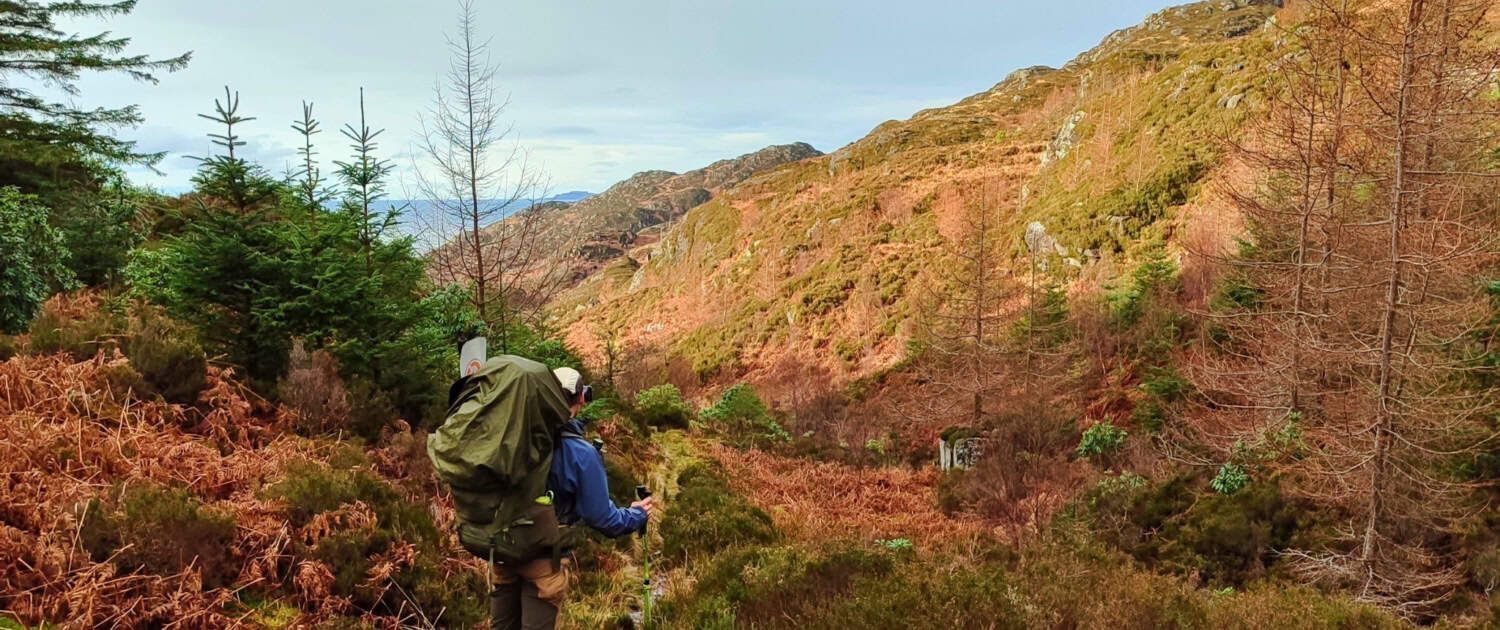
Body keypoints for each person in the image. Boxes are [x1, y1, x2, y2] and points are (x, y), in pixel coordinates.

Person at [489, 367, 656, 630]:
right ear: (580, 399)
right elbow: (604, 519)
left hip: (503, 551)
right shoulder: (581, 453)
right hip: (543, 563)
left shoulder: (512, 436)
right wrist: (637, 514)